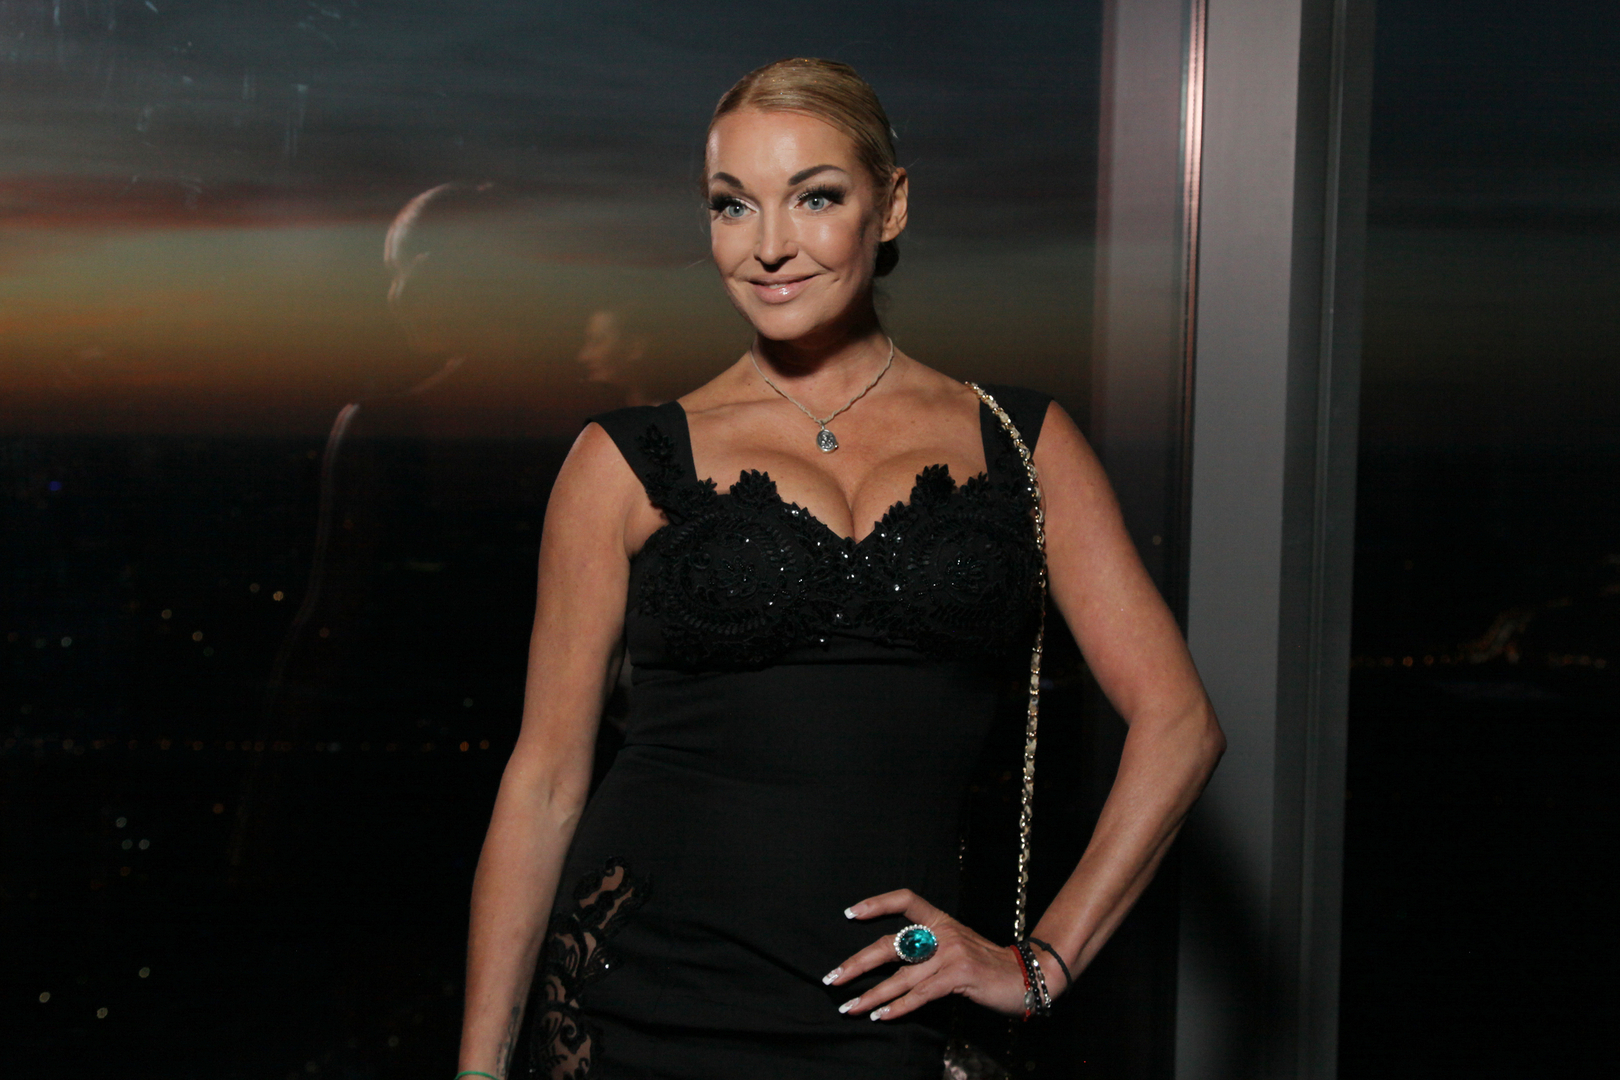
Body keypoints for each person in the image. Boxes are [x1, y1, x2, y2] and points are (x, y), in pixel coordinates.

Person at [457, 58, 1224, 1080]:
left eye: (815, 197)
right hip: (641, 999)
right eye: (733, 205)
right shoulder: (622, 460)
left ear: (891, 205)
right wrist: (478, 1069)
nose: (769, 244)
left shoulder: (1023, 444)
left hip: (899, 1014)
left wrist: (1041, 964)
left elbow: (1180, 724)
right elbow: (546, 782)